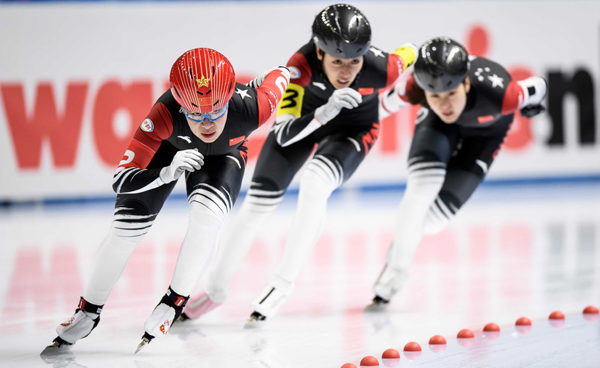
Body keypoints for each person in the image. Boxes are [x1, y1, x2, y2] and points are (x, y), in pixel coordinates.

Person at [179, 4, 417, 325]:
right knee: (256, 207)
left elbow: (414, 52)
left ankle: (281, 284)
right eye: (337, 62)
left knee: (316, 183)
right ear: (319, 54)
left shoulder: (383, 67)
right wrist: (323, 113)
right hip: (303, 123)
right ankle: (214, 290)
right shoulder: (299, 67)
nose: (346, 72)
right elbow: (284, 134)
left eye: (354, 62)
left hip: (355, 129)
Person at [42, 48, 290, 353]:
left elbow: (284, 71)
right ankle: (87, 311)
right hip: (166, 154)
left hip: (224, 156)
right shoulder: (164, 114)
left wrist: (265, 80)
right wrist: (165, 173)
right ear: (180, 105)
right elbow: (120, 180)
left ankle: (174, 302)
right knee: (124, 230)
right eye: (195, 114)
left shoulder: (256, 107)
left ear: (229, 100)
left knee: (207, 219)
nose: (207, 123)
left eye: (216, 111)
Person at [367, 37, 547, 309]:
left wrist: (533, 101)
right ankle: (396, 272)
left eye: (451, 93)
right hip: (438, 127)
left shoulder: (503, 95)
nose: (445, 104)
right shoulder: (415, 87)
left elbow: (539, 85)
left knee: (432, 222)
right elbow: (374, 110)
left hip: (485, 138)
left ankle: (401, 245)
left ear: (465, 83)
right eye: (435, 96)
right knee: (421, 189)